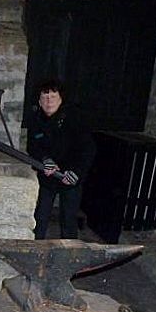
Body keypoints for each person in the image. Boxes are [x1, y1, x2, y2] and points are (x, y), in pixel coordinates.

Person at [26, 79, 96, 239]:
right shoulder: (35, 120)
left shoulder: (75, 118)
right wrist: (45, 159)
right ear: (39, 101)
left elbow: (88, 149)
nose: (48, 101)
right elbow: (33, 146)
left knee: (68, 220)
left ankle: (69, 254)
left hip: (70, 176)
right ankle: (35, 249)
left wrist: (77, 173)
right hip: (48, 175)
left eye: (52, 96)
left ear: (60, 99)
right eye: (44, 97)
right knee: (40, 218)